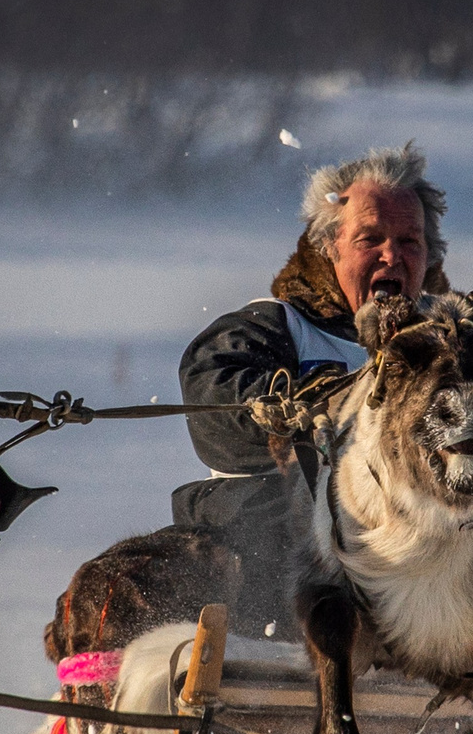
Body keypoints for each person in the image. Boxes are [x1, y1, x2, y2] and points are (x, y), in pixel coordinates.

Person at [173, 141, 452, 632]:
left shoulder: (453, 348)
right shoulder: (274, 328)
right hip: (286, 585)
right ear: (329, 248)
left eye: (410, 242)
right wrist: (311, 406)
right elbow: (213, 402)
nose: (393, 255)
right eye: (371, 239)